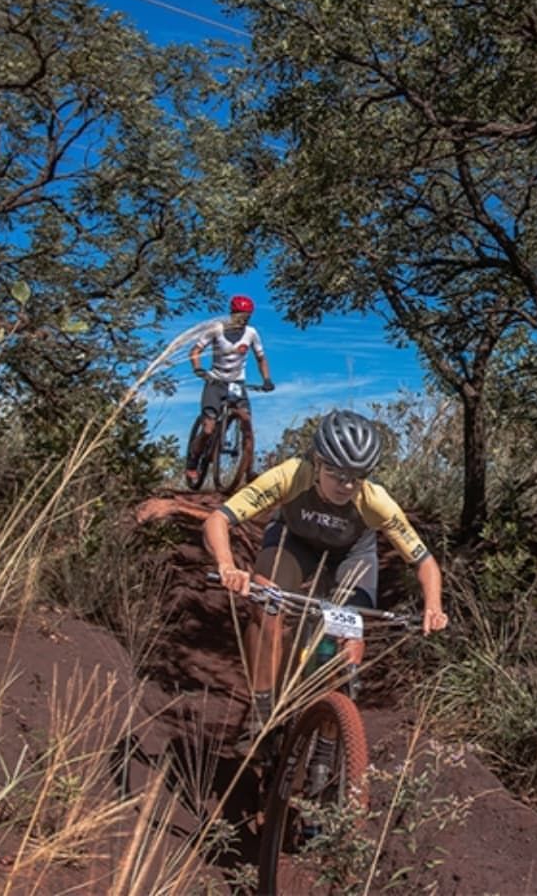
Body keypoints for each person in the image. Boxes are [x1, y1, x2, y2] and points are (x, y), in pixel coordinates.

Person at [201, 408, 447, 752]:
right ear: (317, 462)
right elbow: (218, 519)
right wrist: (227, 566)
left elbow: (425, 562)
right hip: (293, 543)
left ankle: (329, 744)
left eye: (358, 476)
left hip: (351, 558)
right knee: (267, 608)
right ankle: (261, 715)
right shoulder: (290, 475)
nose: (347, 485)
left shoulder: (376, 501)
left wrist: (433, 606)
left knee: (346, 639)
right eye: (337, 474)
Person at [186, 294, 274, 484]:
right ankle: (193, 461)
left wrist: (266, 379)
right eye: (240, 316)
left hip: (237, 384)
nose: (243, 320)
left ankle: (248, 469)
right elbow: (195, 351)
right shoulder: (216, 329)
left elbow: (261, 358)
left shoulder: (251, 333)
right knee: (208, 429)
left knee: (246, 423)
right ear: (232, 314)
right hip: (215, 382)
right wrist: (198, 369)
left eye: (247, 317)